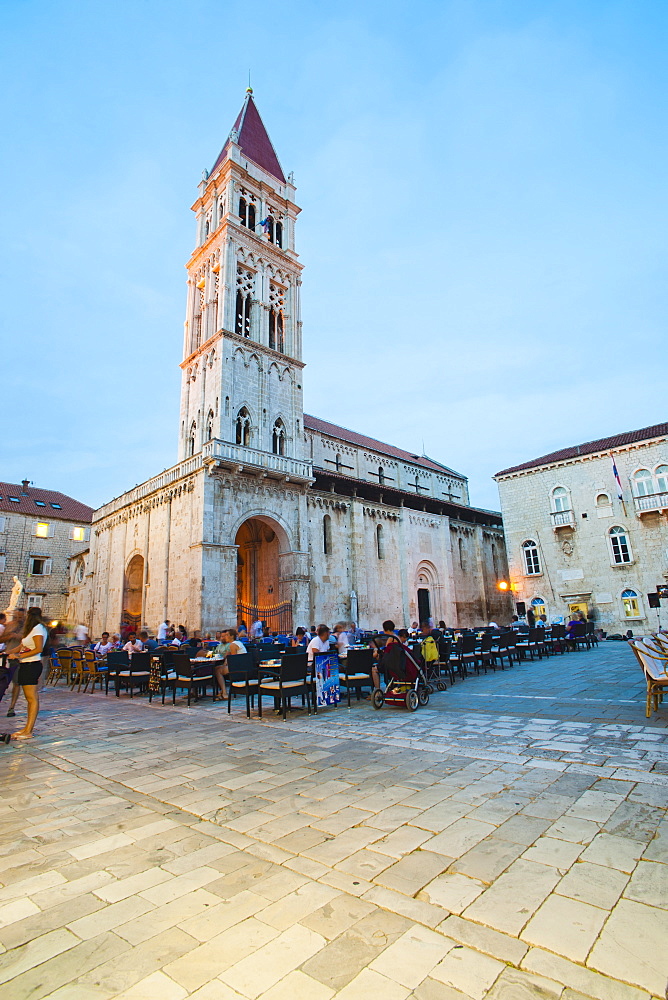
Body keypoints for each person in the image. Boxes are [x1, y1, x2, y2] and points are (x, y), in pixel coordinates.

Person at [9, 607, 48, 738]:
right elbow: (21, 646)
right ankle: (26, 728)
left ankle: (29, 731)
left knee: (32, 698)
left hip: (32, 665)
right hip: (26, 665)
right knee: (29, 698)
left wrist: (19, 656)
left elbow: (38, 649)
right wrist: (7, 653)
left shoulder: (38, 629)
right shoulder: (31, 630)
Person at [1, 608, 25, 710]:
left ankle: (12, 706)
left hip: (19, 657)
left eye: (20, 616)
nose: (18, 619)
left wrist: (18, 636)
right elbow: (1, 639)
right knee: (4, 682)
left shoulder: (27, 627)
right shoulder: (10, 625)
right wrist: (9, 636)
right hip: (8, 655)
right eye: (16, 616)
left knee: (16, 682)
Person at [213, 628, 247, 700]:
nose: (225, 637)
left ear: (232, 636)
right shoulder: (238, 643)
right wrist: (224, 665)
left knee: (217, 671)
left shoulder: (233, 645)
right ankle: (223, 691)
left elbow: (233, 660)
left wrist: (224, 665)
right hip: (243, 665)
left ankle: (224, 693)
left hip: (239, 668)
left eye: (227, 635)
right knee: (218, 668)